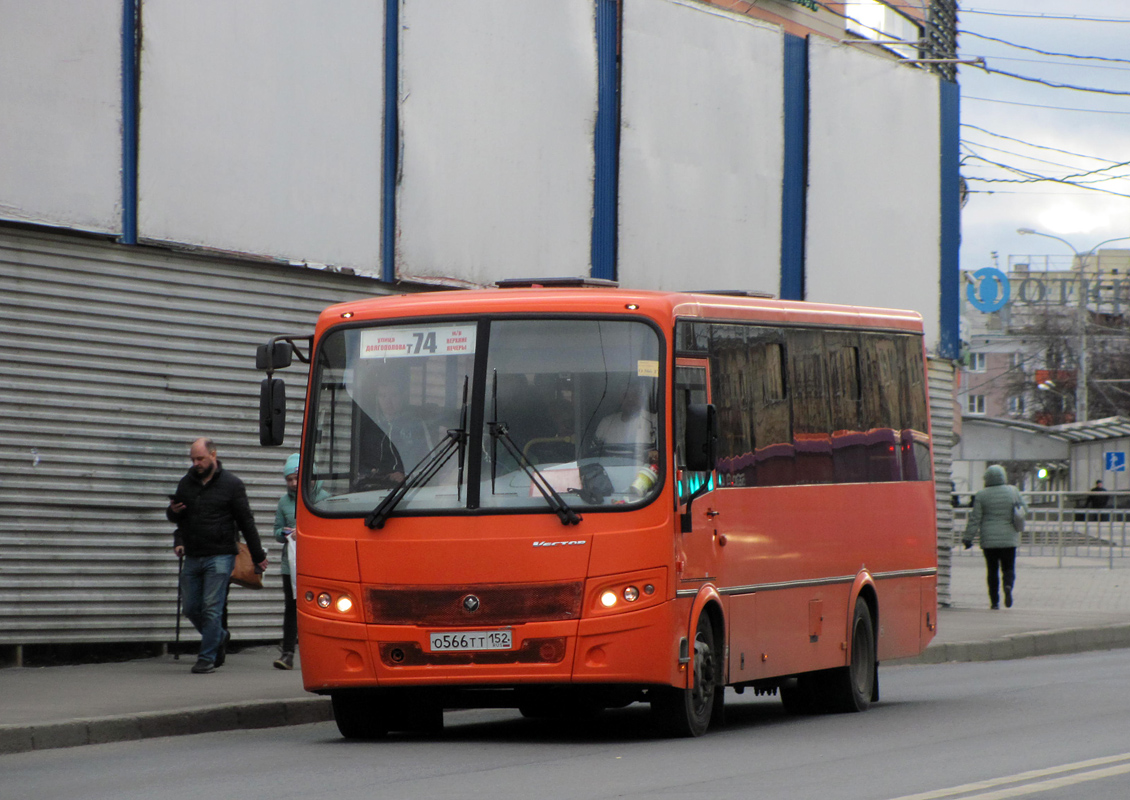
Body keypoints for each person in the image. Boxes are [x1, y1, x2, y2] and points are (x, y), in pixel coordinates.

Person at [167, 438, 268, 674]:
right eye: (193, 459)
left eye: (200, 458)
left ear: (214, 455)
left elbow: (246, 521)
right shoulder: (187, 483)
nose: (196, 463)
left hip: (221, 555)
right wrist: (173, 517)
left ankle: (207, 657)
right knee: (191, 607)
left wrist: (257, 555)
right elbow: (178, 520)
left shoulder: (232, 485)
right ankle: (220, 636)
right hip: (193, 555)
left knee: (212, 607)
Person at [962, 464, 1025, 610]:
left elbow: (975, 518)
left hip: (989, 540)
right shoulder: (1013, 491)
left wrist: (968, 537)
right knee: (1008, 568)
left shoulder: (982, 494)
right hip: (1009, 538)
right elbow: (1023, 509)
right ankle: (1008, 586)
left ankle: (994, 602)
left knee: (992, 570)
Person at [273, 453, 300, 670]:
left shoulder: (322, 498)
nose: (292, 483)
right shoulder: (284, 502)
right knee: (291, 608)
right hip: (289, 565)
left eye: (296, 478)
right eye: (289, 479)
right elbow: (276, 531)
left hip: (316, 564)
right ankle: (288, 653)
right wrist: (285, 532)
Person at [592, 380, 658, 457]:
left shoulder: (654, 421)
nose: (630, 399)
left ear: (643, 397)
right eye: (625, 395)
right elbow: (594, 455)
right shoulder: (606, 423)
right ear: (619, 398)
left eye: (635, 395)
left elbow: (664, 456)